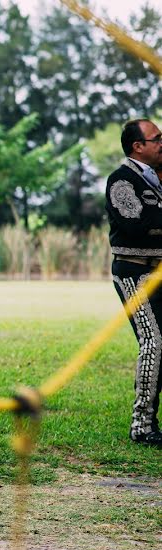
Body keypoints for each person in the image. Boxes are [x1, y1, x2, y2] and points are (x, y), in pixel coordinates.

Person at [107, 118, 162, 448]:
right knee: (154, 342)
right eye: (156, 139)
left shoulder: (158, 179)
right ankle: (141, 425)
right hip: (134, 273)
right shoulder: (121, 180)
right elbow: (134, 225)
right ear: (137, 147)